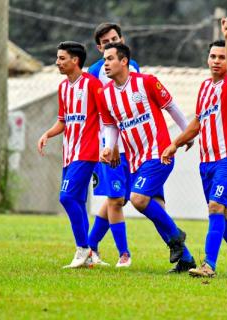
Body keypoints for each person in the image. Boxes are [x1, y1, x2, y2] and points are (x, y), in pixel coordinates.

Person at [161, 17, 227, 278]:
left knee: (215, 207)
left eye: (221, 57)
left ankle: (208, 266)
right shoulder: (204, 88)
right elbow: (197, 123)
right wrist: (174, 144)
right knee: (221, 213)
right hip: (207, 160)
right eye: (213, 56)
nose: (216, 61)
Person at [99, 42, 196, 272]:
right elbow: (111, 126)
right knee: (157, 208)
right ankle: (187, 260)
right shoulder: (105, 95)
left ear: (124, 61)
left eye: (110, 59)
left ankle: (175, 237)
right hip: (135, 160)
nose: (106, 64)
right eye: (104, 60)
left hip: (159, 153)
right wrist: (109, 147)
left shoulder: (147, 82)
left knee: (138, 199)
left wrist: (185, 135)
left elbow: (171, 107)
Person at [37, 41, 101, 268]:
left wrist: (107, 146)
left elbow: (106, 117)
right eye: (57, 58)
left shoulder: (92, 85)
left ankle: (82, 248)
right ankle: (90, 254)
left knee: (66, 198)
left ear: (75, 60)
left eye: (62, 58)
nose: (57, 62)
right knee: (79, 202)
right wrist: (48, 133)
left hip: (87, 152)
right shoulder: (63, 88)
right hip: (69, 153)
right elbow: (63, 121)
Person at [86, 23, 141, 268]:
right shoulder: (96, 72)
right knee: (116, 199)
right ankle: (124, 254)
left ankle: (89, 247)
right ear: (99, 48)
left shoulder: (134, 66)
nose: (111, 43)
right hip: (109, 146)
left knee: (118, 200)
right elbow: (100, 114)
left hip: (132, 144)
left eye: (115, 38)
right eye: (106, 42)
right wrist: (109, 144)